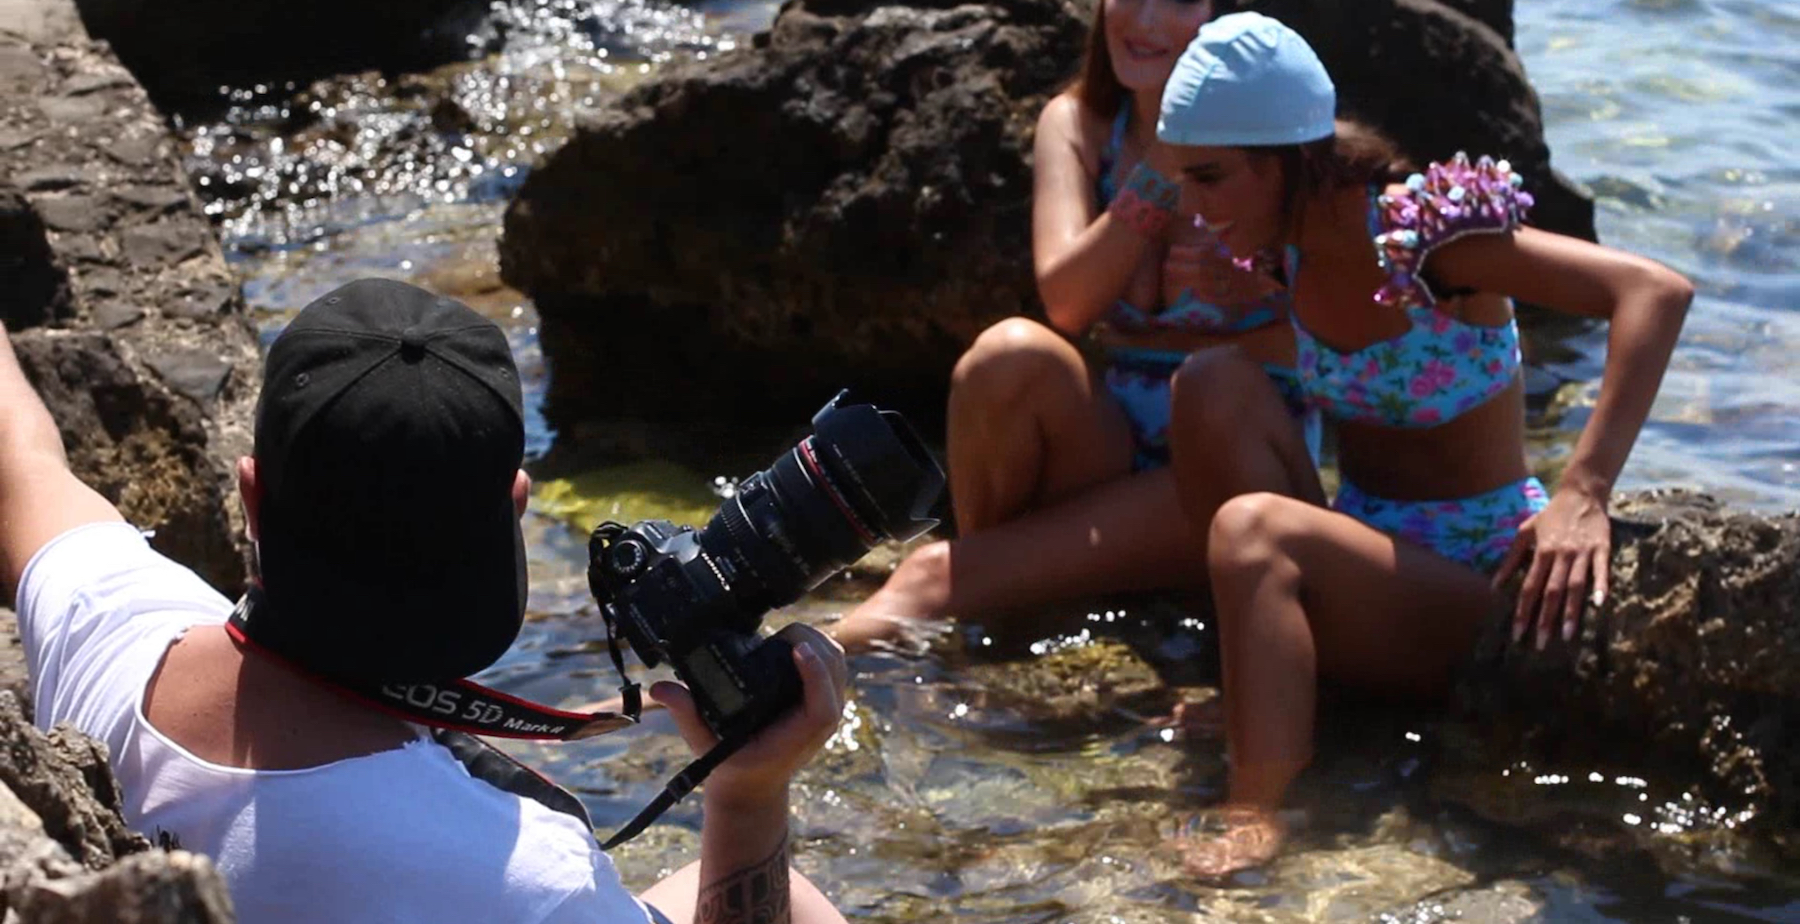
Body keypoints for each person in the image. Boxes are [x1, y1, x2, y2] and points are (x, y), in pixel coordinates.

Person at [1, 278, 852, 924]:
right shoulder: (526, 882)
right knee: (800, 905)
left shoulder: (107, 627)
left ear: (251, 498)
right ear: (517, 506)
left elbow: (24, 460)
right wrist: (747, 794)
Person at [1150, 13, 1694, 876]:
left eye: (1209, 177)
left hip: (1477, 590)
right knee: (1210, 386)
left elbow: (1655, 293)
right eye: (1185, 178)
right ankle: (1270, 686)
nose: (1193, 207)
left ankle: (1258, 805)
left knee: (1254, 529)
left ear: (1286, 161)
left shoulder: (1429, 241)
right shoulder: (1287, 250)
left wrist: (1582, 490)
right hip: (1368, 565)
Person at [830, 0, 1318, 653]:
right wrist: (1163, 169)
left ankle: (793, 666)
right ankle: (997, 616)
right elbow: (1066, 304)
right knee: (1006, 355)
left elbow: (1352, 339)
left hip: (1228, 457)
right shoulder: (1079, 123)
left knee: (930, 575)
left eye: (1177, 0)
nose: (1145, 20)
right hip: (1111, 441)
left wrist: (1259, 286)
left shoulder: (1271, 134)